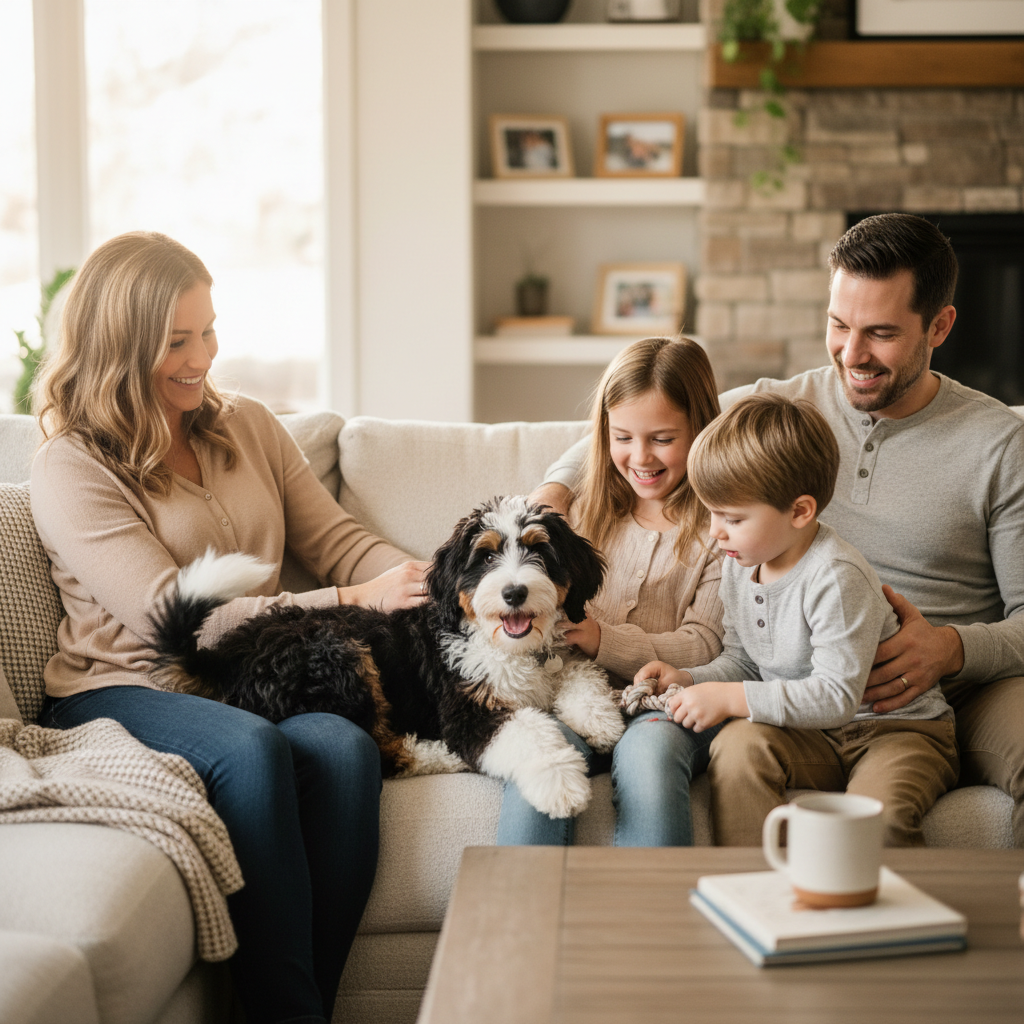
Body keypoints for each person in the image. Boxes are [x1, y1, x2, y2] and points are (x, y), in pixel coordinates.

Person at [30, 231, 431, 1024]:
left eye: (208, 330)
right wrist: (356, 596)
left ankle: (293, 1007)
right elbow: (180, 619)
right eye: (176, 341)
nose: (201, 356)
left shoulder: (244, 423)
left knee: (346, 749)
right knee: (253, 752)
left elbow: (340, 541)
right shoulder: (71, 465)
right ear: (119, 346)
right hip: (125, 689)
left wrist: (438, 580)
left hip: (248, 682)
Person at [536, 212, 1024, 848]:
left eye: (879, 334)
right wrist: (549, 498)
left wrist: (953, 648)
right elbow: (631, 434)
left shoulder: (1000, 443)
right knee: (739, 756)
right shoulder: (776, 411)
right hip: (799, 681)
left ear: (940, 325)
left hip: (957, 689)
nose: (852, 355)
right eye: (838, 326)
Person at [627, 393, 958, 846]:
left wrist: (730, 698)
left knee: (876, 821)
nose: (714, 530)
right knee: (738, 747)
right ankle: (756, 891)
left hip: (897, 730)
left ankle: (878, 913)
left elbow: (836, 697)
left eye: (732, 517)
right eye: (711, 513)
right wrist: (688, 678)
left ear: (800, 512)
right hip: (812, 735)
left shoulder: (835, 577)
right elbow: (745, 662)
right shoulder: (740, 562)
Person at [501, 336, 725, 846]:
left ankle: (647, 921)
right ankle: (516, 915)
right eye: (622, 437)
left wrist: (606, 640)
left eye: (662, 438)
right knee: (542, 756)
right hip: (573, 698)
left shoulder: (720, 526)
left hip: (667, 706)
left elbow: (706, 643)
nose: (640, 456)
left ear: (702, 428)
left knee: (647, 758)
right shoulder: (580, 513)